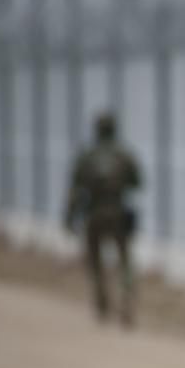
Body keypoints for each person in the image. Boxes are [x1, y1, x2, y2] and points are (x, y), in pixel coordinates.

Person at [64, 112, 142, 326]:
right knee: (124, 261)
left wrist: (69, 218)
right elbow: (137, 182)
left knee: (95, 260)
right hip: (118, 212)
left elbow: (75, 190)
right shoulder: (123, 155)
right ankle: (126, 301)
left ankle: (102, 303)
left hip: (94, 213)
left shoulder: (87, 156)